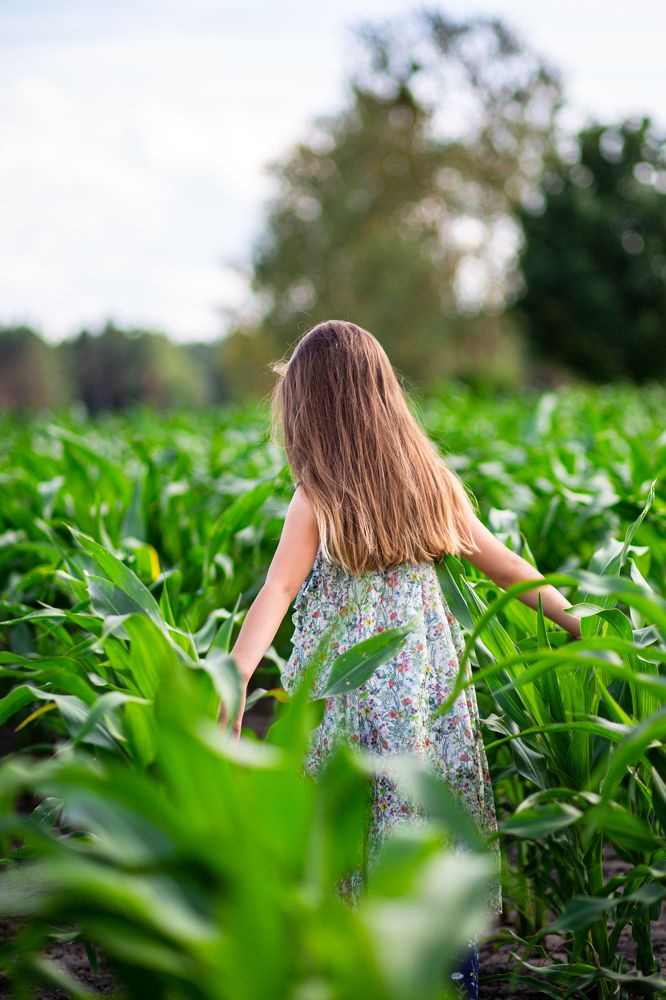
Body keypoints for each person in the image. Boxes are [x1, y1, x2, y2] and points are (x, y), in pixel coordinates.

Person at [221, 320, 582, 999]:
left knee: (350, 838)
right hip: (425, 709)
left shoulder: (317, 497)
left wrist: (237, 673)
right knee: (427, 832)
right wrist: (574, 616)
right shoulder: (430, 483)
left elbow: (277, 589)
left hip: (348, 712)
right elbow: (507, 566)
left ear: (310, 409)